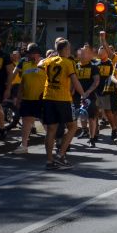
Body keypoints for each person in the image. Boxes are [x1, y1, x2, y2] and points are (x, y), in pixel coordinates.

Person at [41, 38, 87, 169]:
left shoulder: (49, 61)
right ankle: (60, 155)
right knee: (73, 127)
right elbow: (75, 80)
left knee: (51, 130)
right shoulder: (68, 62)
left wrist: (50, 56)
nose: (70, 50)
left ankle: (49, 161)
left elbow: (39, 64)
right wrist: (83, 94)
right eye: (69, 48)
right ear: (65, 49)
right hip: (62, 99)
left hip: (48, 97)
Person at [12, 44, 45, 154]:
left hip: (41, 99)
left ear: (36, 54)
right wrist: (19, 98)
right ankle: (24, 145)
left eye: (29, 53)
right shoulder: (25, 64)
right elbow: (22, 82)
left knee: (46, 122)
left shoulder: (45, 63)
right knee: (26, 121)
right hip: (27, 98)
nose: (27, 55)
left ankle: (54, 141)